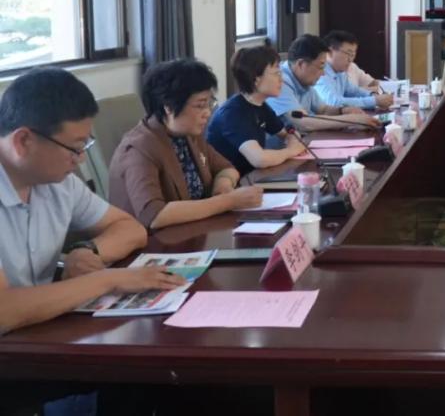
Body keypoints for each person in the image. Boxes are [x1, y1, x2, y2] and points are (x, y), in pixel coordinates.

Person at [0, 68, 184, 333]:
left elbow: (130, 229)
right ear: (24, 141)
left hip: (42, 331)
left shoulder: (59, 184)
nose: (81, 159)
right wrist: (107, 280)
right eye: (74, 148)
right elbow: (4, 311)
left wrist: (87, 250)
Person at [108, 60, 262, 230]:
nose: (207, 113)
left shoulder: (187, 134)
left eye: (210, 103)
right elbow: (155, 216)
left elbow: (226, 168)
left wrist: (223, 185)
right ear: (168, 107)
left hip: (194, 232)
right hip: (156, 242)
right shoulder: (139, 148)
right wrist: (227, 201)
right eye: (200, 105)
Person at [206, 45, 307, 176]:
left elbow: (287, 133)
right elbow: (259, 159)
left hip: (252, 177)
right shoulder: (233, 113)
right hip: (232, 182)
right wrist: (291, 151)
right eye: (276, 73)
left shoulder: (260, 105)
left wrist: (292, 139)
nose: (281, 79)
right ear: (256, 79)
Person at [267, 34, 381, 133]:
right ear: (301, 64)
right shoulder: (279, 82)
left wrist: (343, 111)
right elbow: (303, 123)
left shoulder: (304, 80)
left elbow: (323, 109)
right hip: (282, 148)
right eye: (321, 67)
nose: (323, 74)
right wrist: (351, 120)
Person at [315, 31, 394, 111]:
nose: (350, 59)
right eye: (348, 54)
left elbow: (353, 91)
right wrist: (374, 101)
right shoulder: (320, 72)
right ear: (330, 52)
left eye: (353, 55)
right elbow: (334, 102)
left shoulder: (340, 72)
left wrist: (372, 95)